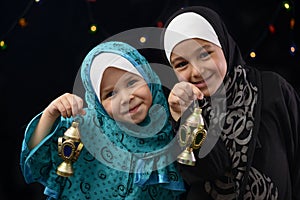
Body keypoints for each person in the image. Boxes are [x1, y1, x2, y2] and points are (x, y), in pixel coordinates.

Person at [162, 5, 300, 200]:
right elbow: (206, 171)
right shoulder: (182, 111)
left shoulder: (272, 89)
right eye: (182, 64)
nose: (196, 71)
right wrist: (187, 117)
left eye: (204, 54)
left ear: (223, 45)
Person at [20, 41, 186, 199]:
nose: (127, 98)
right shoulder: (83, 128)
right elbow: (35, 163)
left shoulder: (170, 124)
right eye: (110, 94)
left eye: (132, 82)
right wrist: (50, 114)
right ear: (98, 103)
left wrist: (182, 115)